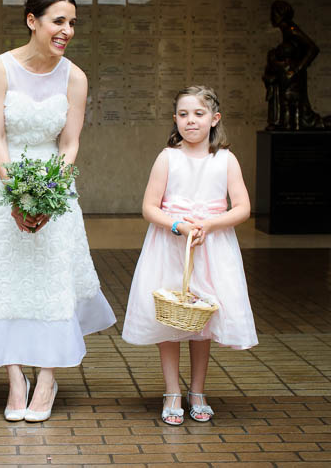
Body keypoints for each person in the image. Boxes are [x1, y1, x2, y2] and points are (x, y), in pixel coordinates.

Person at [0, 0, 116, 423]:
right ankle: (15, 375)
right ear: (32, 21)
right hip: (1, 181)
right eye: (59, 21)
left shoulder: (75, 77)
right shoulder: (0, 68)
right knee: (3, 276)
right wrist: (15, 194)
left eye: (72, 23)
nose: (67, 31)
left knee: (48, 279)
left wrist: (49, 191)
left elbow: (70, 143)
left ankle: (47, 377)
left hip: (53, 182)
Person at [121, 86, 258, 426]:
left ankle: (197, 390)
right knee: (172, 317)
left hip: (212, 248)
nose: (190, 121)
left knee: (202, 321)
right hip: (170, 247)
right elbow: (150, 207)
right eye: (183, 114)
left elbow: (242, 207)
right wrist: (178, 224)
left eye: (198, 114)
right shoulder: (168, 157)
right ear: (175, 119)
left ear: (215, 119)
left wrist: (210, 224)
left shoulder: (225, 159)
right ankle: (171, 391)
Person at [263, 0, 331, 142]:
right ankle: (287, 125)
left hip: (295, 78)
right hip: (288, 78)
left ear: (281, 14)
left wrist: (297, 69)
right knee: (296, 110)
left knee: (302, 113)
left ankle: (329, 122)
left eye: (274, 13)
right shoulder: (286, 32)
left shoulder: (293, 30)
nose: (271, 17)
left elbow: (313, 48)